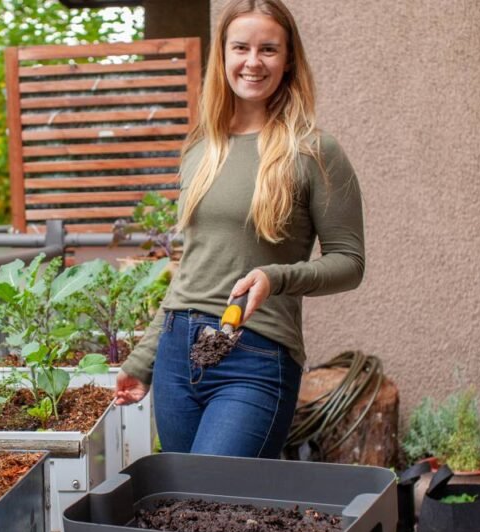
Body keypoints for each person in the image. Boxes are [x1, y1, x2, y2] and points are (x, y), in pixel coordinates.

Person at [115, 0, 365, 459]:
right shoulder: (202, 147)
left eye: (268, 49)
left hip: (255, 355)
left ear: (288, 60)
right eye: (241, 48)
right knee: (184, 499)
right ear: (223, 55)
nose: (253, 62)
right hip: (176, 355)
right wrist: (145, 358)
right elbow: (194, 266)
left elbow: (349, 263)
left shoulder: (314, 151)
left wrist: (276, 277)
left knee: (215, 494)